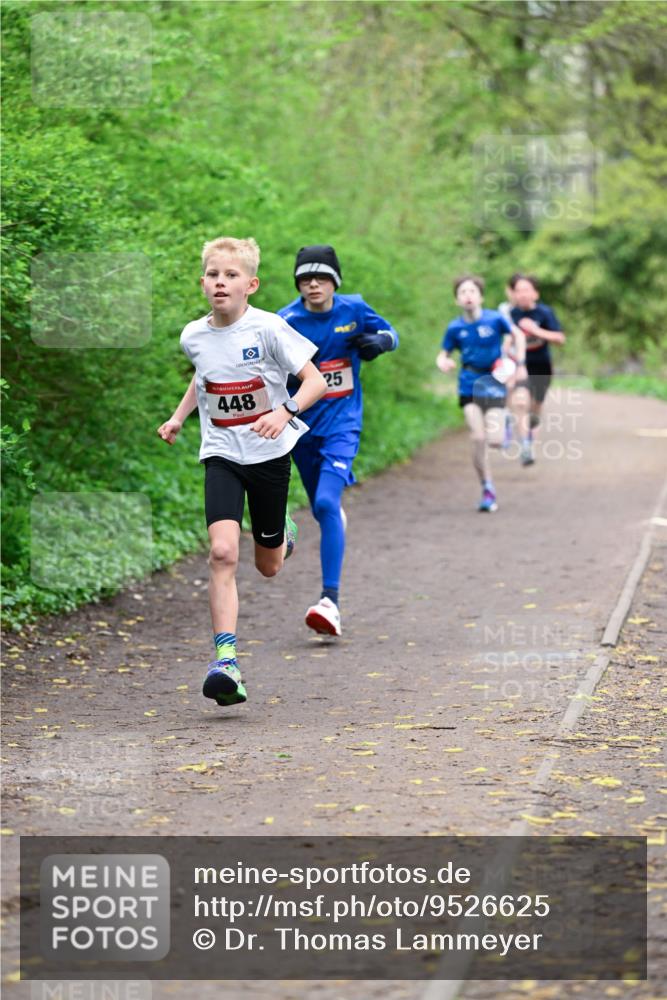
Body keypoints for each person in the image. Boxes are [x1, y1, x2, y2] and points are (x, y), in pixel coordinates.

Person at [157, 237, 326, 707]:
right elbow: (204, 375)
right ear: (203, 282)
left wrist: (284, 412)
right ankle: (225, 661)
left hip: (269, 455)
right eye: (213, 274)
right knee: (222, 552)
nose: (220, 283)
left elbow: (316, 381)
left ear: (250, 284)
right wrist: (178, 417)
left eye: (230, 276)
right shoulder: (194, 335)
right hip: (222, 454)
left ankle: (282, 536)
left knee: (268, 566)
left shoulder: (269, 328)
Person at [278, 245, 399, 637]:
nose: (314, 284)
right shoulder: (285, 320)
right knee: (321, 509)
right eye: (306, 278)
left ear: (335, 282)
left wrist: (380, 342)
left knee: (329, 503)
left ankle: (330, 600)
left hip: (343, 425)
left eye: (322, 277)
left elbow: (391, 333)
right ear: (298, 283)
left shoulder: (354, 309)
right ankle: (289, 529)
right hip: (301, 429)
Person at [436, 274, 525, 512]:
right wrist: (443, 362)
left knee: (495, 441)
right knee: (477, 438)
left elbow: (517, 334)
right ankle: (487, 487)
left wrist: (518, 361)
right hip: (468, 383)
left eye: (472, 291)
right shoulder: (455, 328)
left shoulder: (495, 319)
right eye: (462, 292)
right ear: (457, 300)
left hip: (493, 381)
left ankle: (505, 423)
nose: (468, 296)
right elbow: (444, 353)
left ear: (481, 296)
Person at [508, 273, 566, 465]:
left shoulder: (545, 313)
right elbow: (504, 343)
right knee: (520, 403)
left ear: (535, 293)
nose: (522, 294)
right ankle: (525, 444)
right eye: (518, 290)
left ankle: (530, 442)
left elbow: (560, 339)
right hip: (519, 367)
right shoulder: (510, 314)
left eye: (526, 290)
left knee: (535, 409)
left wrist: (535, 330)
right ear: (513, 294)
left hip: (542, 367)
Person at [497, 276, 531, 463]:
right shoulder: (503, 311)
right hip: (504, 362)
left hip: (519, 362)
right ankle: (507, 424)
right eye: (514, 290)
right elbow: (505, 338)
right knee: (504, 396)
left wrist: (521, 363)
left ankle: (525, 443)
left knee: (521, 404)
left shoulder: (530, 311)